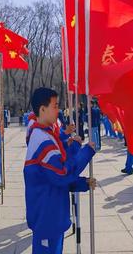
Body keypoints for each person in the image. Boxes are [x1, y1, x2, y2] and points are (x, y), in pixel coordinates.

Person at [24, 87, 96, 254]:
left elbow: (53, 175)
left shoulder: (46, 134)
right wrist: (86, 152)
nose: (58, 110)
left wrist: (81, 183)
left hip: (52, 211)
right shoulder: (42, 140)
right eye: (55, 106)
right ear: (42, 109)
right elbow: (61, 174)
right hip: (47, 215)